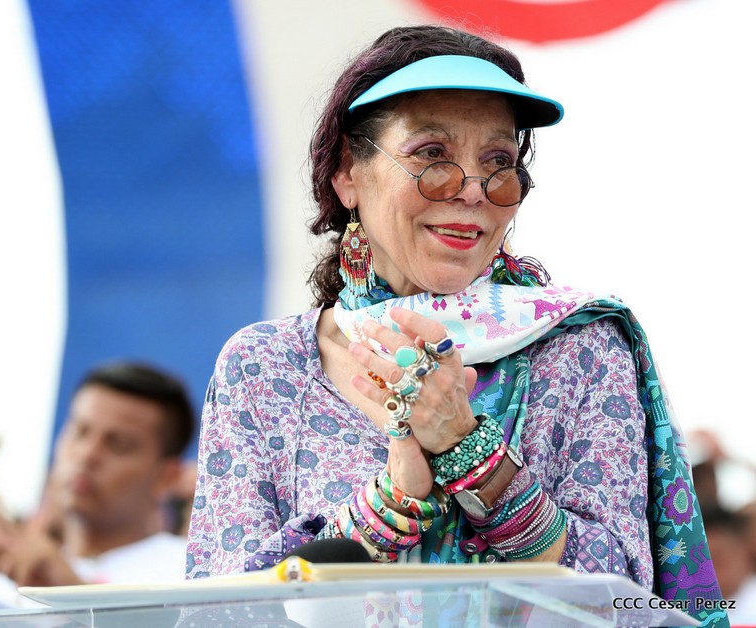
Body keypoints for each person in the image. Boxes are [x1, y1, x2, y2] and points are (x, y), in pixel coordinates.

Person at [186, 24, 727, 626]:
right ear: (348, 174)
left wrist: (470, 452)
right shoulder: (265, 366)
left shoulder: (580, 346)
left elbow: (624, 596)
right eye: (432, 155)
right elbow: (217, 612)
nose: (472, 190)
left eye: (498, 162)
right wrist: (391, 504)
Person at [0, 361, 196, 602]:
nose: (87, 454)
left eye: (119, 444)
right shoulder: (12, 581)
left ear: (166, 476)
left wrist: (74, 593)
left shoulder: (192, 574)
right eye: (79, 432)